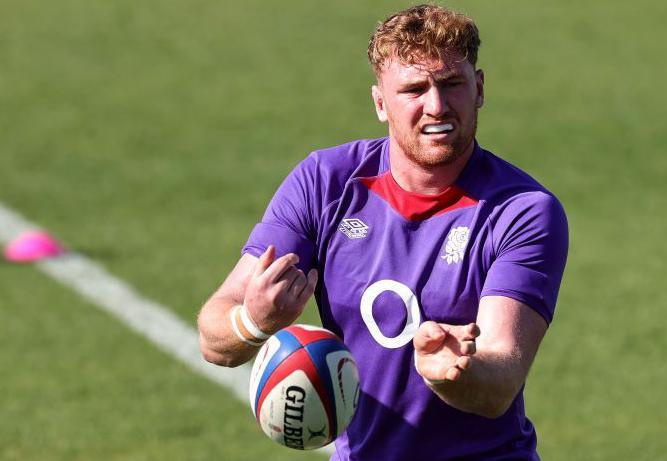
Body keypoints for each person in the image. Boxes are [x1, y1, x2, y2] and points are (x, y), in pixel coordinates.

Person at [197, 4, 569, 460]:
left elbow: (499, 382)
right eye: (413, 89)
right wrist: (252, 321)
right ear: (380, 103)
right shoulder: (325, 183)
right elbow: (215, 337)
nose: (436, 105)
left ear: (480, 89)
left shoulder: (522, 212)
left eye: (452, 83)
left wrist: (451, 373)